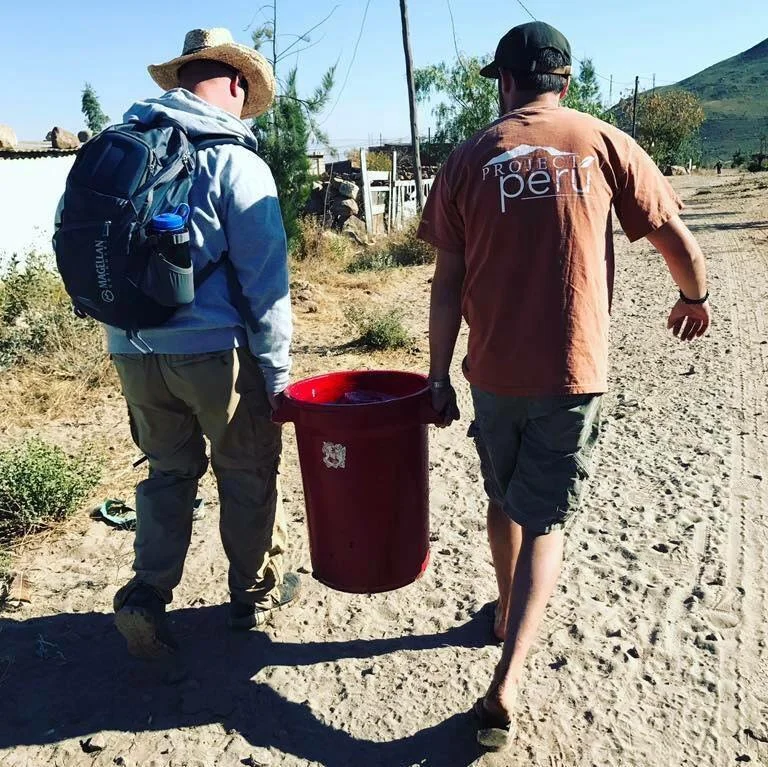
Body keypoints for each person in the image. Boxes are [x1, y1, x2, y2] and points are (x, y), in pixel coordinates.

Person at [418, 21, 711, 750]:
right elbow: (674, 237)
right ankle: (509, 679)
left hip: (491, 372)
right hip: (572, 373)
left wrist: (436, 375)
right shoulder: (604, 141)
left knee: (502, 498)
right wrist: (694, 296)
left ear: (505, 83)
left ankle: (502, 610)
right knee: (545, 519)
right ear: (567, 81)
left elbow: (447, 283)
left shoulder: (468, 157)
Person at [65, 28, 299, 658]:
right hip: (215, 354)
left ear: (180, 80)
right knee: (246, 471)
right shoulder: (235, 162)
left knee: (167, 472)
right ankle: (254, 594)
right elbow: (267, 282)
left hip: (131, 349)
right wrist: (277, 373)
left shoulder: (120, 148)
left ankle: (146, 595)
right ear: (237, 83)